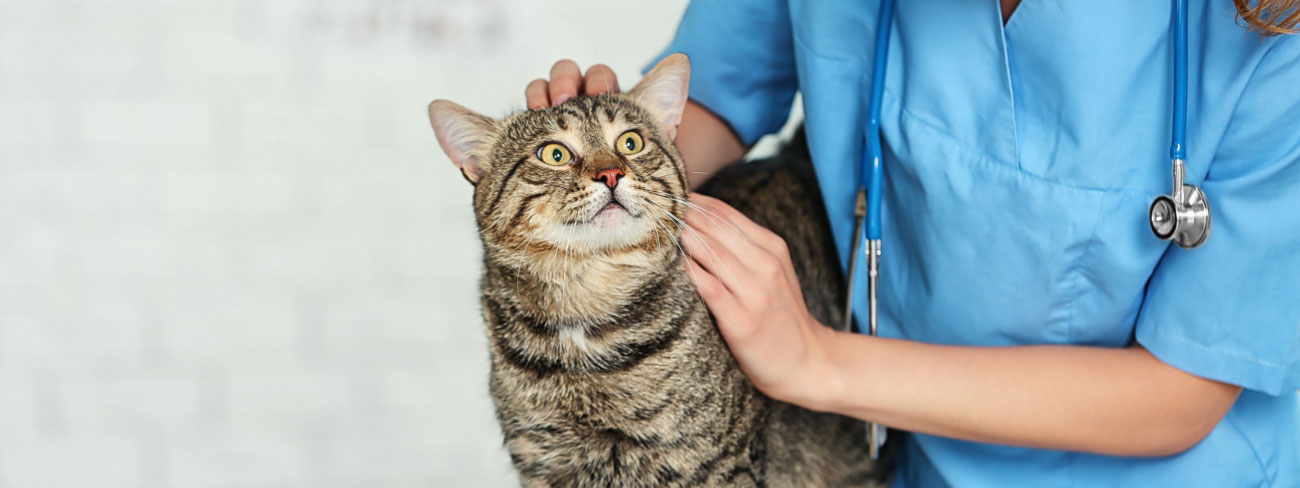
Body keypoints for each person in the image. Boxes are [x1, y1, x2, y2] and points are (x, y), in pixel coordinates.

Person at [524, 1, 1300, 486]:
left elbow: (1183, 390)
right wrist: (599, 161)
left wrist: (817, 362)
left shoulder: (1272, 30)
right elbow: (717, 97)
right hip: (894, 459)